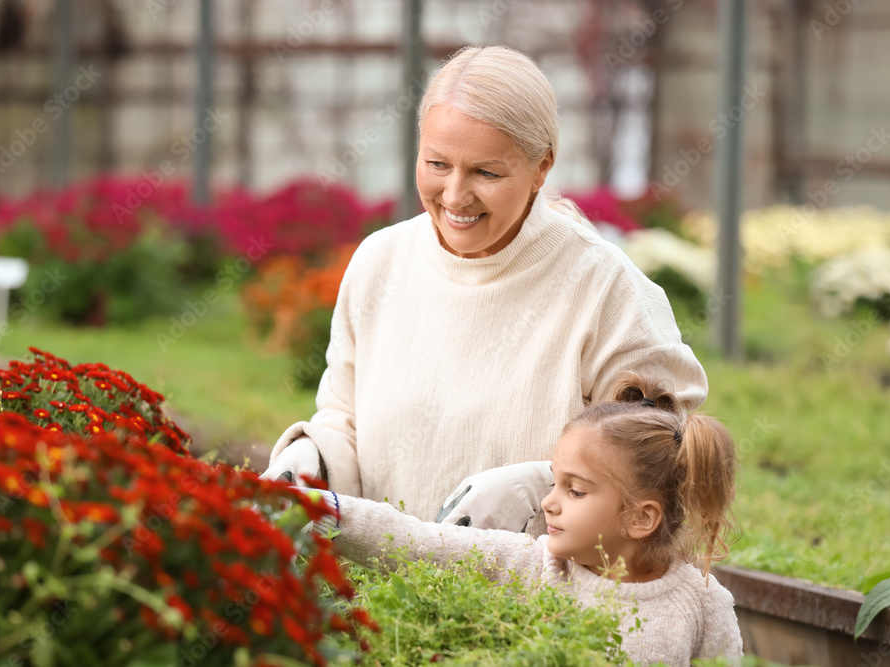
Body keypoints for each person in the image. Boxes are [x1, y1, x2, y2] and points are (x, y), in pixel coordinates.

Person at [262, 44, 708, 536]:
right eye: (436, 164)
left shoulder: (605, 290)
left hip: (541, 605)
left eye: (486, 172)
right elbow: (345, 417)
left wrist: (543, 488)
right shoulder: (380, 262)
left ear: (542, 167)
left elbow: (667, 462)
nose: (455, 196)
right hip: (378, 593)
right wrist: (315, 458)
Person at [293, 372, 743, 666]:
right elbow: (420, 544)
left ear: (641, 518)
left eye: (575, 490)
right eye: (555, 483)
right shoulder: (530, 564)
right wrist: (327, 510)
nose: (548, 503)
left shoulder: (702, 603)